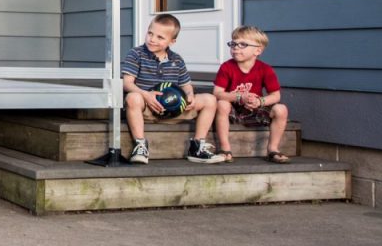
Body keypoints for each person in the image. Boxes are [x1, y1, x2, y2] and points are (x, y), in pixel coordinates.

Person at [121, 14, 225, 164]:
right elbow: (127, 83)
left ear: (172, 41)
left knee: (210, 99)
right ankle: (140, 145)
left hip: (175, 108)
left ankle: (197, 146)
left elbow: (186, 85)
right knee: (132, 97)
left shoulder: (177, 59)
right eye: (150, 33)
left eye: (160, 37)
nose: (152, 39)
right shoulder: (136, 54)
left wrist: (189, 95)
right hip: (147, 108)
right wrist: (146, 95)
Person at [212, 26, 290, 163]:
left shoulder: (265, 69)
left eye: (242, 44)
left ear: (257, 50)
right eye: (233, 44)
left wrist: (260, 101)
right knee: (222, 104)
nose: (236, 47)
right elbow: (217, 93)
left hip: (255, 109)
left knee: (281, 109)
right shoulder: (227, 67)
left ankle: (273, 149)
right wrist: (239, 97)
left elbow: (275, 95)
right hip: (234, 110)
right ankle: (225, 148)